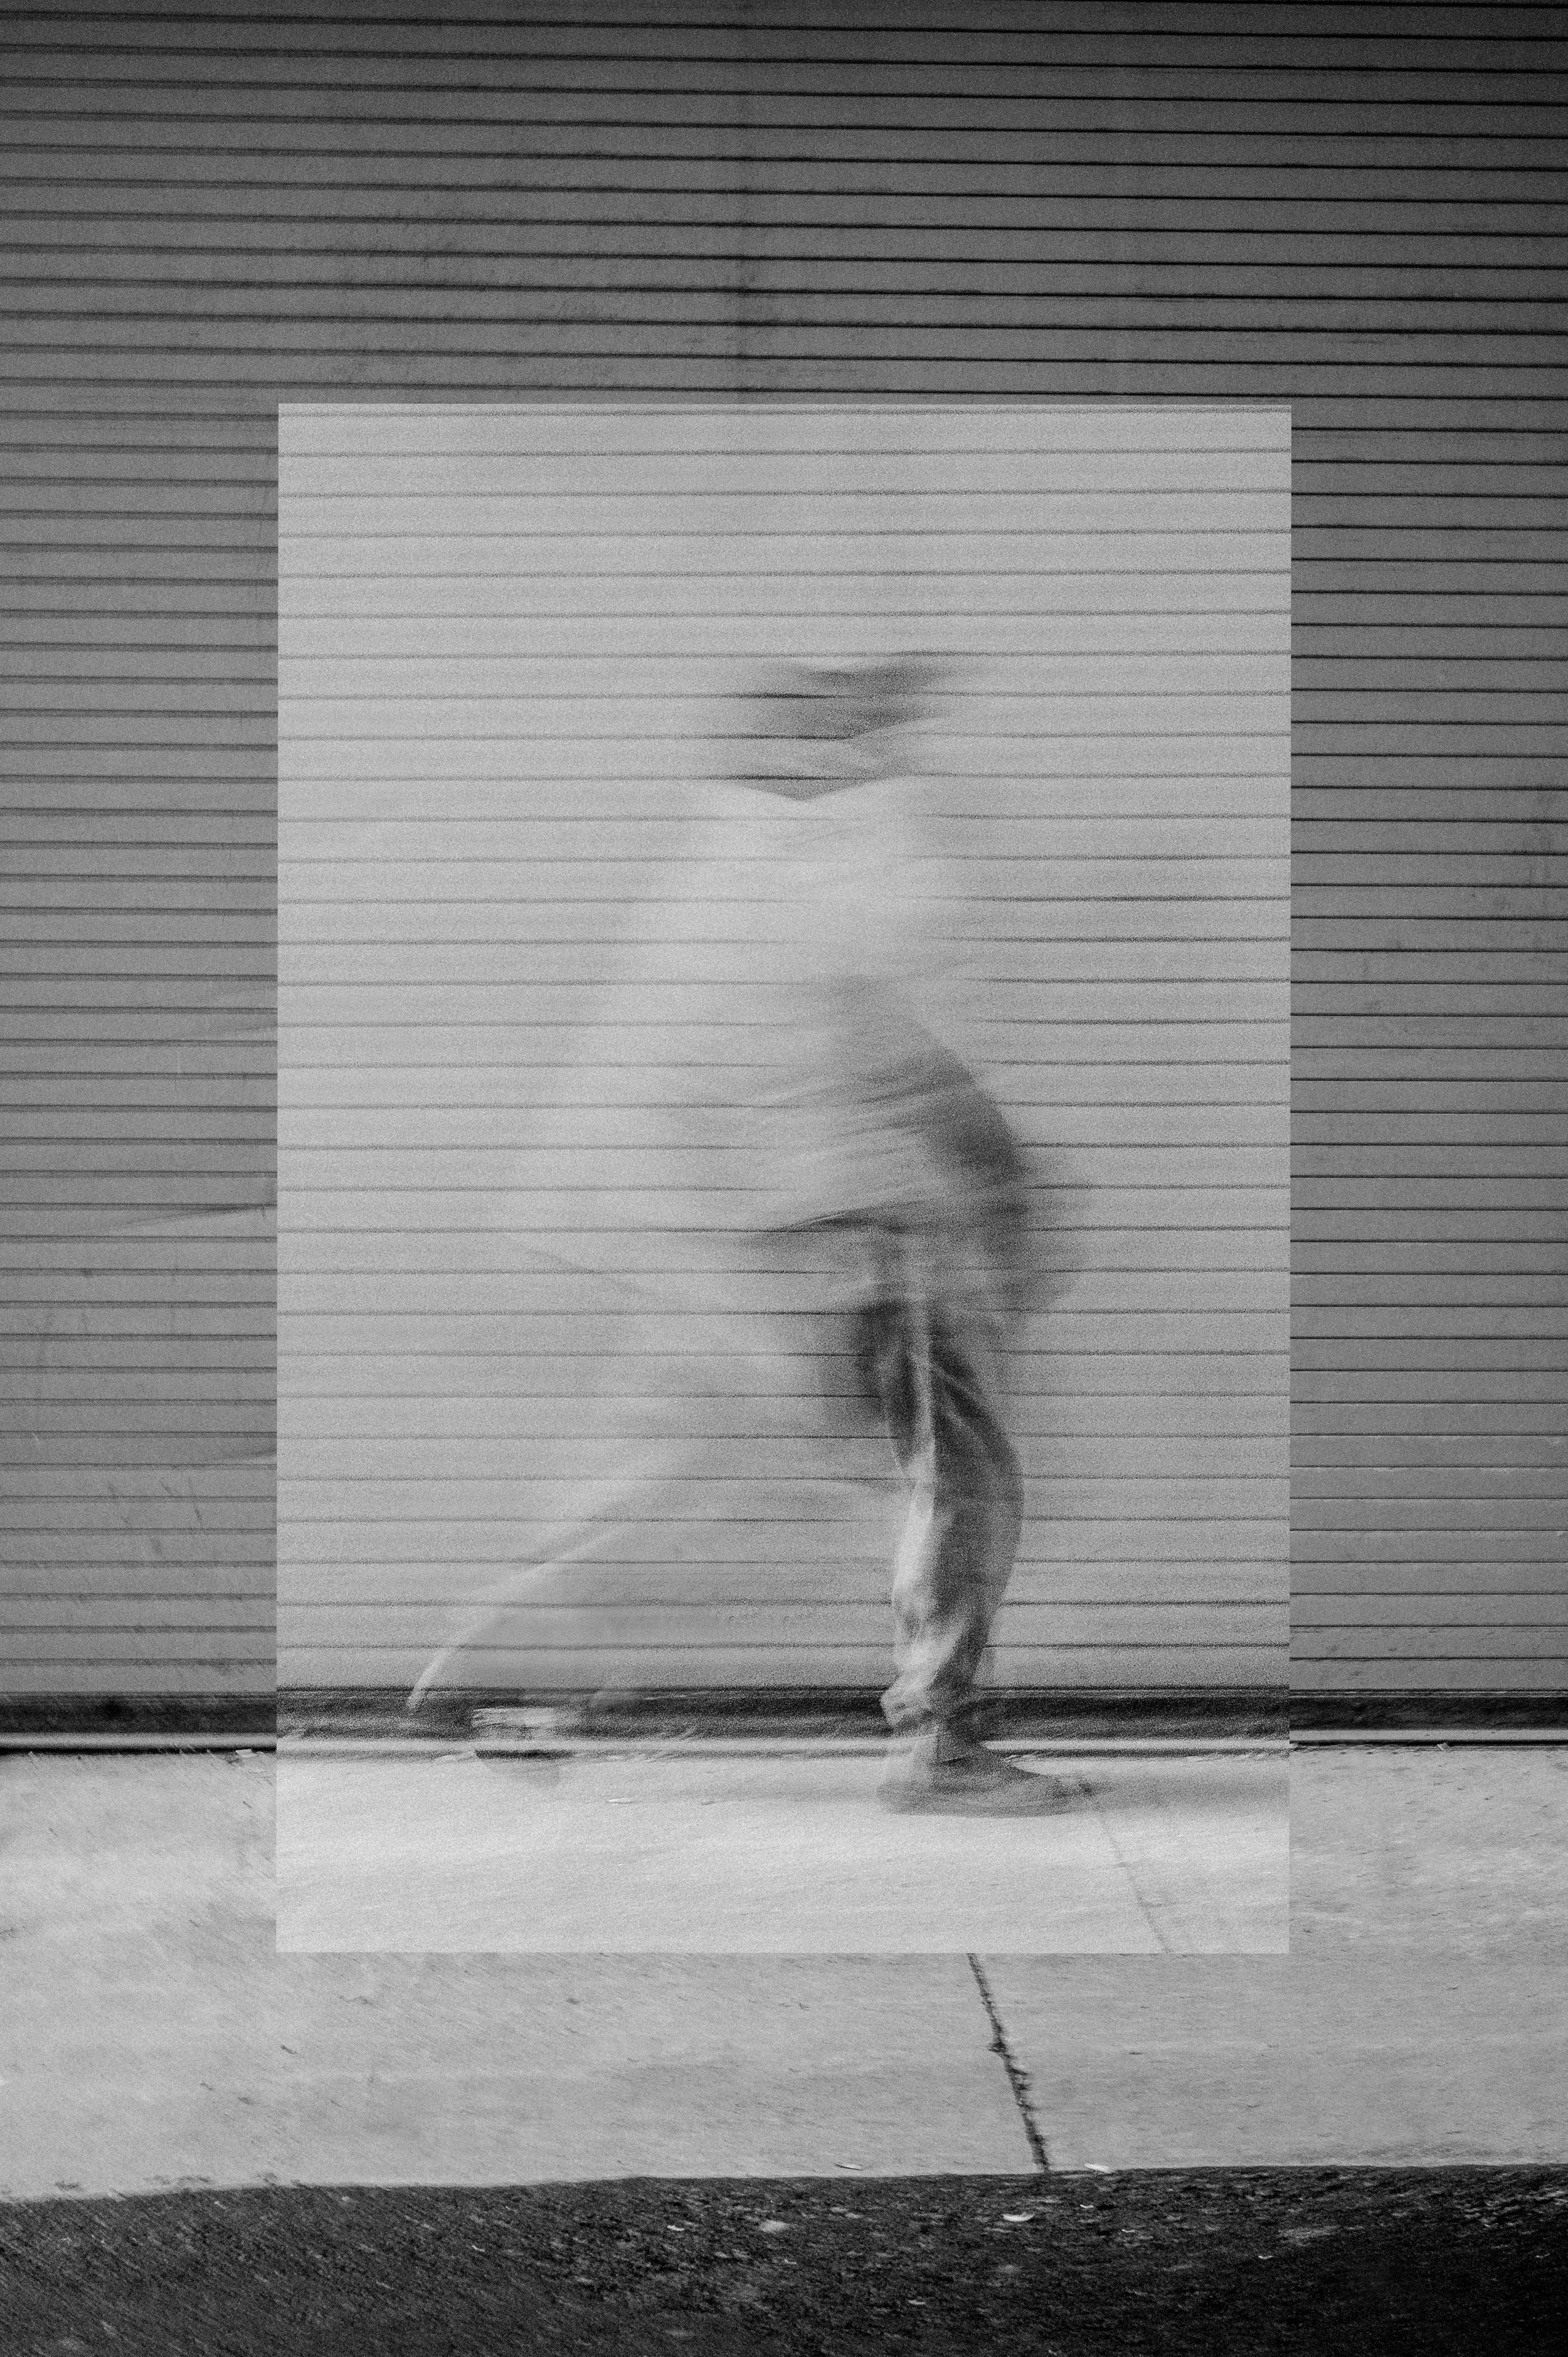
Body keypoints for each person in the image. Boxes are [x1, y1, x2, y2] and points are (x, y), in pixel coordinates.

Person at [745, 659, 1059, 1813]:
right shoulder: (861, 879)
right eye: (897, 735)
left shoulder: (802, 880)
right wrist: (1005, 1189)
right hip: (890, 1230)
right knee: (962, 1481)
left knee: (952, 1477)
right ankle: (937, 1745)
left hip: (865, 1227)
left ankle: (940, 1733)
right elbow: (903, 1059)